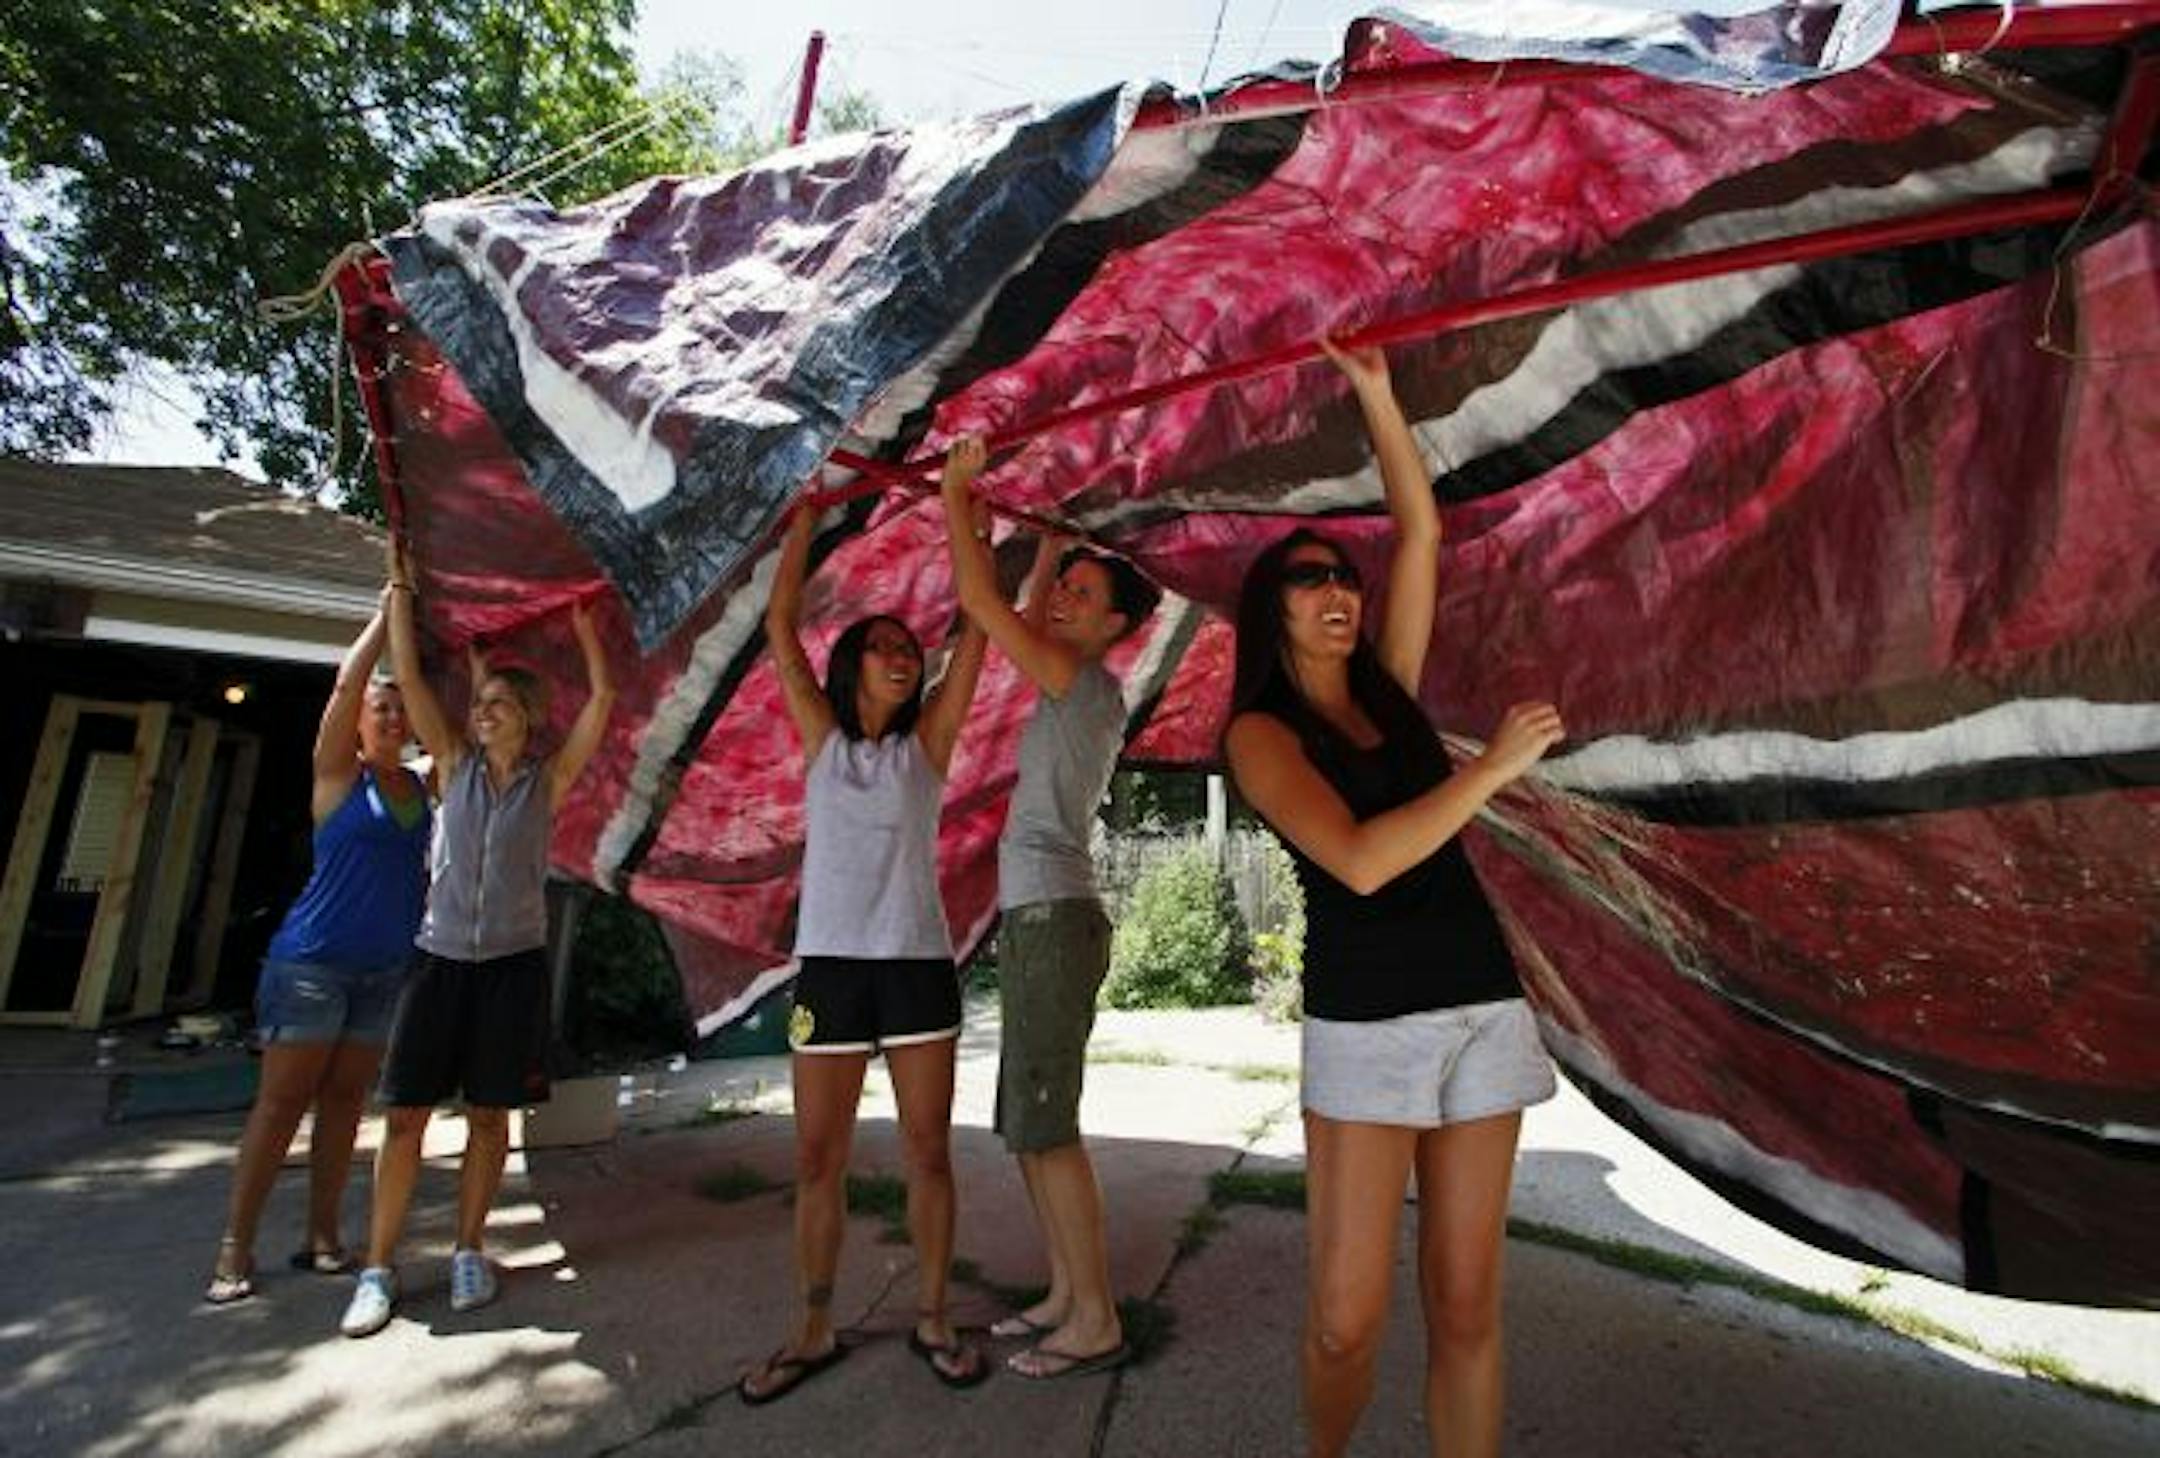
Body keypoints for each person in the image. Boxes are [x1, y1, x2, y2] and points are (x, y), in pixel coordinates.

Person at [1221, 340, 1565, 1458]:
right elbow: (1363, 860)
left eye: (1341, 578)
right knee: (1344, 1320)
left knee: (1467, 1308)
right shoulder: (1260, 735)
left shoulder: (1393, 693)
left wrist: (1374, 393)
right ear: (1272, 611)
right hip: (1366, 1026)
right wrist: (1491, 770)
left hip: (1478, 1005)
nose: (1337, 591)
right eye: (1310, 578)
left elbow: (1420, 535)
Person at [739, 463, 992, 1404]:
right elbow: (776, 629)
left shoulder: (928, 744)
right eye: (882, 644)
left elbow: (974, 625)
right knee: (817, 1158)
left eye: (906, 646)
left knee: (928, 1151)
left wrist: (962, 504)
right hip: (832, 975)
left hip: (918, 969)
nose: (902, 653)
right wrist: (804, 517)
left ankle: (932, 1314)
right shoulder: (825, 743)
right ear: (853, 666)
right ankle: (812, 1325)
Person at [339, 547, 616, 1338]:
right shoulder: (452, 765)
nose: (483, 710)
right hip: (440, 962)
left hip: (511, 968)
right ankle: (378, 1268)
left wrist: (586, 633)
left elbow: (600, 699)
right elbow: (416, 682)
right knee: (405, 1118)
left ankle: (468, 1250)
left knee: (491, 1119)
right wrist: (398, 589)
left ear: (526, 717)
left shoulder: (548, 781)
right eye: (482, 700)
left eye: (499, 702)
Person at [938, 437, 1161, 1378]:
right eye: (1062, 587)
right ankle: (1068, 1295)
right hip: (1042, 919)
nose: (1061, 598)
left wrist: (957, 496)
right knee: (1028, 1128)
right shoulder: (1067, 674)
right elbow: (1014, 607)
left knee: (1051, 1130)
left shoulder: (1086, 684)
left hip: (1053, 921)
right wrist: (1028, 536)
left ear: (1115, 627)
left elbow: (984, 608)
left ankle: (1097, 1317)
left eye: (1081, 593)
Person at [204, 609, 431, 1305]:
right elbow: (346, 684)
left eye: (400, 709)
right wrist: (393, 608)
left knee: (344, 1106)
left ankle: (324, 1235)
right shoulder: (339, 778)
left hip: (380, 974)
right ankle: (235, 1248)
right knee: (279, 1106)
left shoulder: (422, 788)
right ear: (360, 724)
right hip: (311, 968)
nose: (391, 718)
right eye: (380, 709)